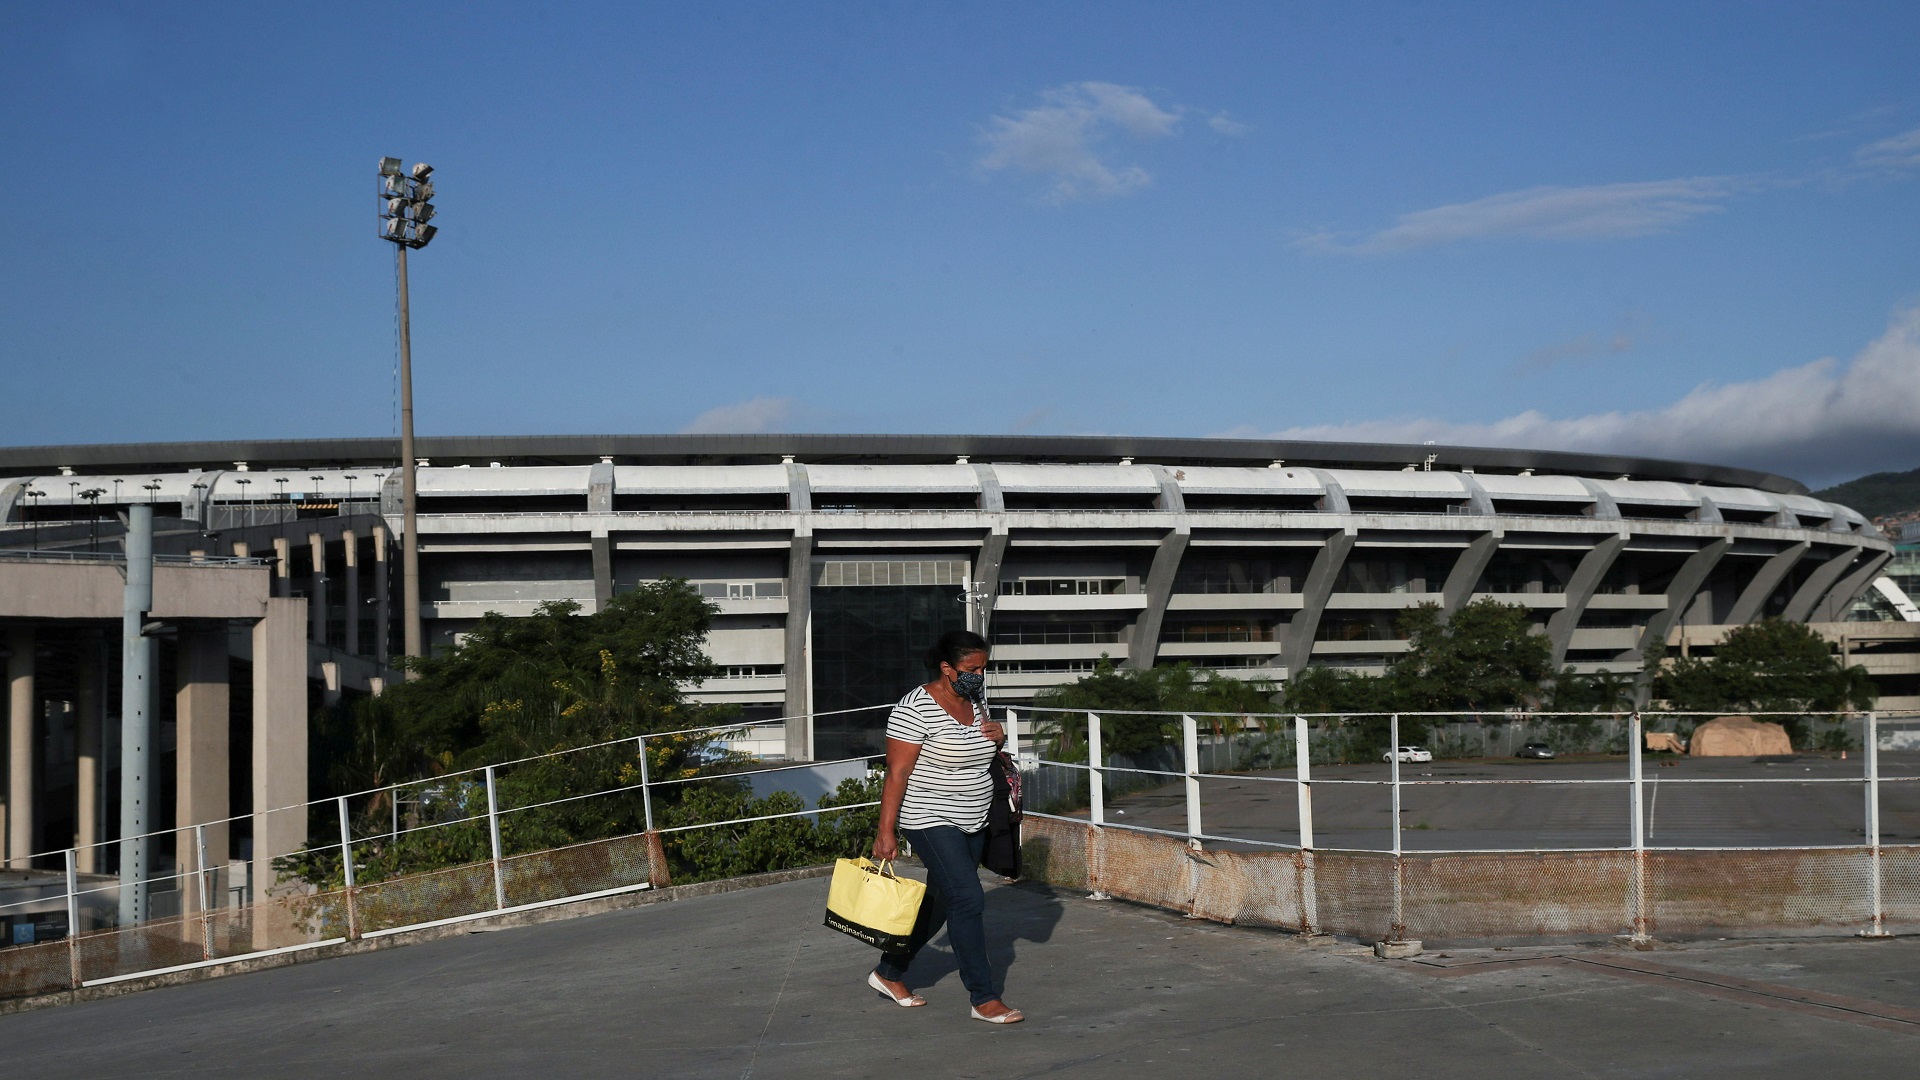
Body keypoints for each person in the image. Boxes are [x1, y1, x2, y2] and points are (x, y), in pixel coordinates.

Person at [867, 630, 1024, 1024]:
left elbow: (982, 750)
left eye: (984, 669)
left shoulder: (977, 701)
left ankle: (888, 972)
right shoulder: (914, 709)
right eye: (971, 669)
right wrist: (886, 832)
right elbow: (897, 773)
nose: (979, 676)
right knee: (968, 899)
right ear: (947, 668)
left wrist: (999, 737)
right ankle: (984, 998)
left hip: (975, 816)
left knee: (941, 904)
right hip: (930, 817)